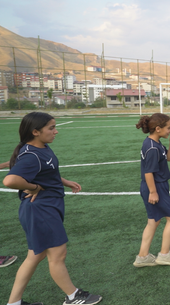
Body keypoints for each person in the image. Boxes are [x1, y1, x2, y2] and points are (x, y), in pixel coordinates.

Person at [3, 112, 102, 305]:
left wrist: (64, 182)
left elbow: (47, 172)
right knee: (58, 255)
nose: (56, 131)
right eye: (51, 128)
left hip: (45, 209)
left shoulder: (42, 147)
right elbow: (10, 180)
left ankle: (13, 303)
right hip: (40, 211)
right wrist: (34, 187)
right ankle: (73, 296)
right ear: (35, 132)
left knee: (35, 255)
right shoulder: (32, 155)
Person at [134, 113, 170, 267]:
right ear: (157, 129)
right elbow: (148, 172)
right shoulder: (152, 148)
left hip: (154, 187)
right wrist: (153, 192)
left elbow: (168, 158)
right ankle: (164, 255)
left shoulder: (155, 143)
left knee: (154, 221)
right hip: (155, 187)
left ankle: (142, 257)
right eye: (168, 128)